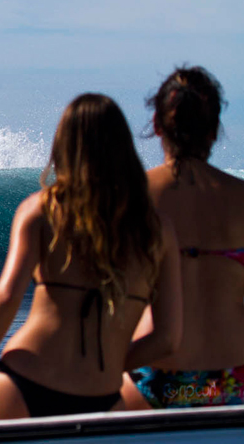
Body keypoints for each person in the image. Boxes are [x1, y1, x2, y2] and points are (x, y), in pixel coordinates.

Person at [0, 93, 182, 421]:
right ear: (123, 148)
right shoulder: (157, 229)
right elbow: (167, 339)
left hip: (22, 385)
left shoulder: (40, 209)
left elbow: (6, 296)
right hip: (103, 397)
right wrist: (111, 362)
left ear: (63, 145)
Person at [121, 67, 244, 409]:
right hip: (235, 381)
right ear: (215, 129)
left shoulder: (132, 198)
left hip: (154, 381)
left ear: (158, 126)